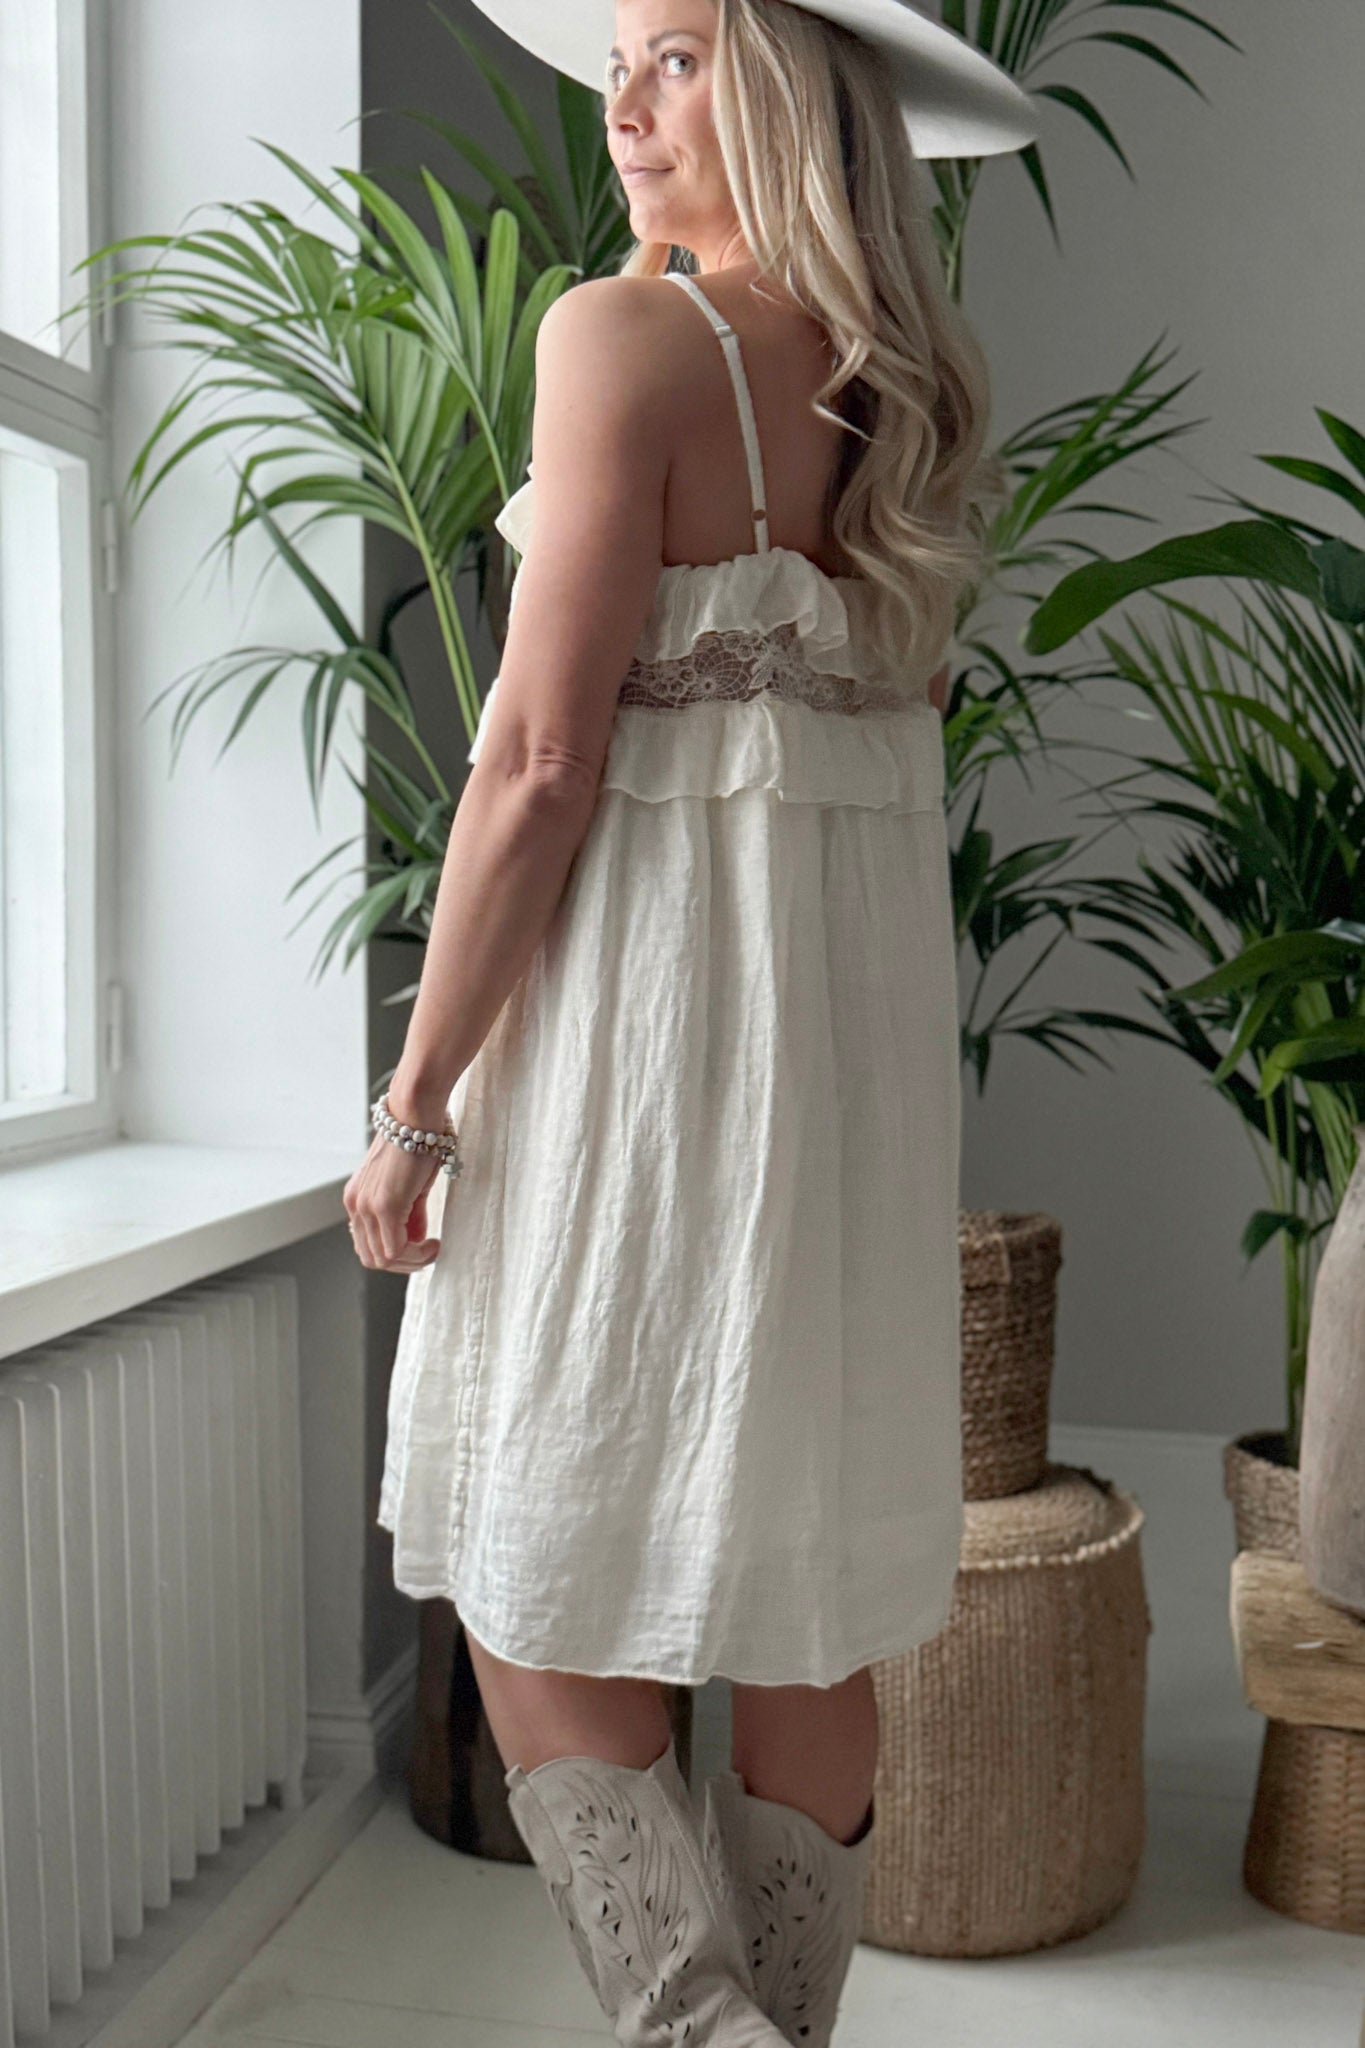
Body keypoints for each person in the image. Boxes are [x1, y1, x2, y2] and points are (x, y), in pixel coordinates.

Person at [346, 2, 1035, 2041]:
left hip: (635, 1054)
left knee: (529, 1540)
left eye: (676, 57)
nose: (624, 108)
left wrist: (417, 1097)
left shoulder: (620, 340)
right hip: (846, 1070)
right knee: (801, 1580)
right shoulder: (908, 397)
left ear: (795, 88)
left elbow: (540, 760)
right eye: (618, 66)